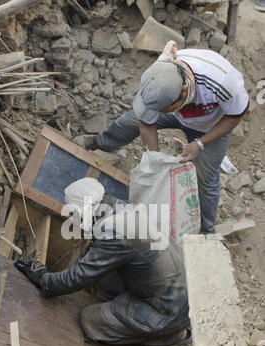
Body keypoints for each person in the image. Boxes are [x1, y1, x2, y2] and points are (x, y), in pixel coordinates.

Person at [86, 41, 249, 235]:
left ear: (184, 93)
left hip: (212, 125)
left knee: (206, 177)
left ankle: (206, 233)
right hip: (177, 112)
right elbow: (147, 123)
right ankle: (100, 144)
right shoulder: (159, 78)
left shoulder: (223, 82)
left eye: (161, 109)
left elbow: (236, 115)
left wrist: (199, 144)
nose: (155, 112)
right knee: (129, 122)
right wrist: (155, 162)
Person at [14, 178, 190, 346]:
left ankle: (171, 336)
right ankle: (127, 311)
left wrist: (44, 279)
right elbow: (92, 255)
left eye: (74, 213)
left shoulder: (116, 231)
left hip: (168, 310)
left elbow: (77, 278)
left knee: (90, 320)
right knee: (101, 277)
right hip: (174, 291)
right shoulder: (117, 207)